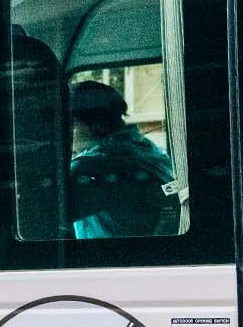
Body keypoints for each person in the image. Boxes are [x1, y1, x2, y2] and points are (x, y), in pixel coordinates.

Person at [67, 79, 174, 239]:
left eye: (71, 124)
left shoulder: (93, 165)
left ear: (97, 124)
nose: (65, 131)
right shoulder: (146, 148)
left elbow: (48, 212)